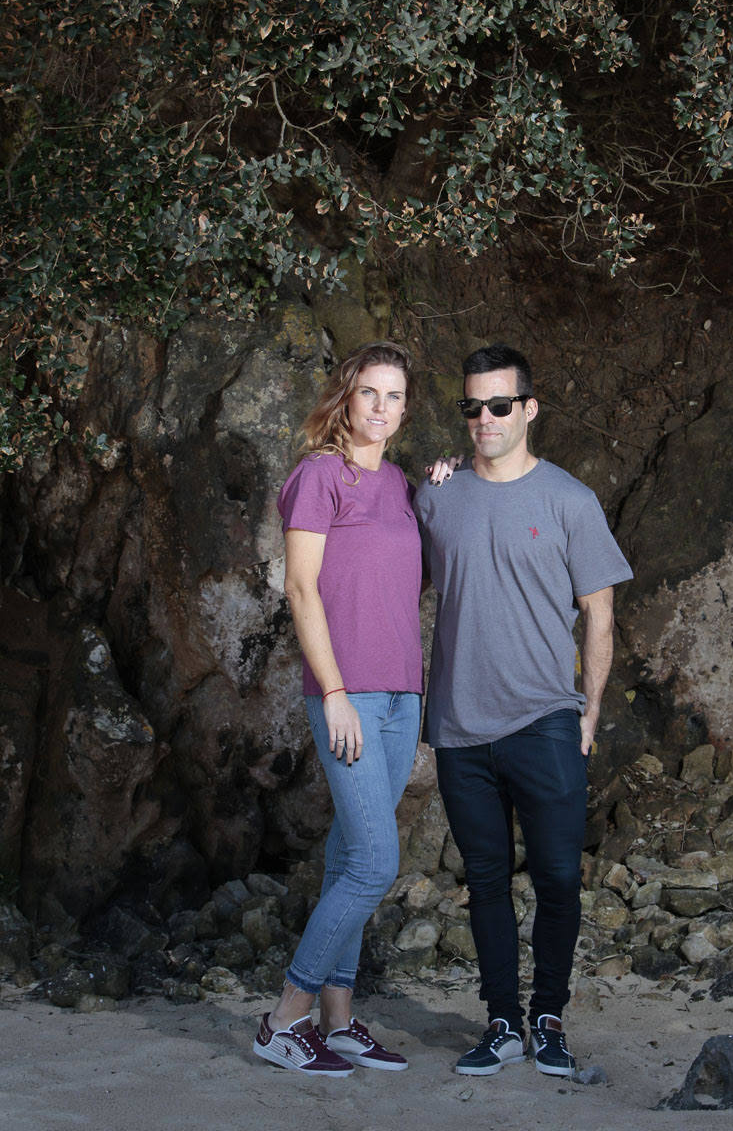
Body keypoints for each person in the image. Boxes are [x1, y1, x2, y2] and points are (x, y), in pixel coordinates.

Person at [414, 342, 632, 1079]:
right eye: (471, 407)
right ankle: (502, 1021)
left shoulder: (570, 500)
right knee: (484, 880)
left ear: (529, 409)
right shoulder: (436, 497)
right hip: (458, 729)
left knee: (559, 878)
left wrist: (589, 716)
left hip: (546, 719)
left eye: (499, 405)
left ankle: (549, 1017)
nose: (484, 419)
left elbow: (600, 616)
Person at [254, 341, 427, 1077]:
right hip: (347, 693)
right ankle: (283, 1020)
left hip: (403, 694)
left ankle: (338, 1019)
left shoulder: (402, 485)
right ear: (345, 398)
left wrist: (444, 481)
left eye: (394, 397)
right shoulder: (318, 477)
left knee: (353, 856)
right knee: (376, 863)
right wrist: (332, 694)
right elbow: (301, 590)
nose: (381, 408)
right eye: (369, 394)